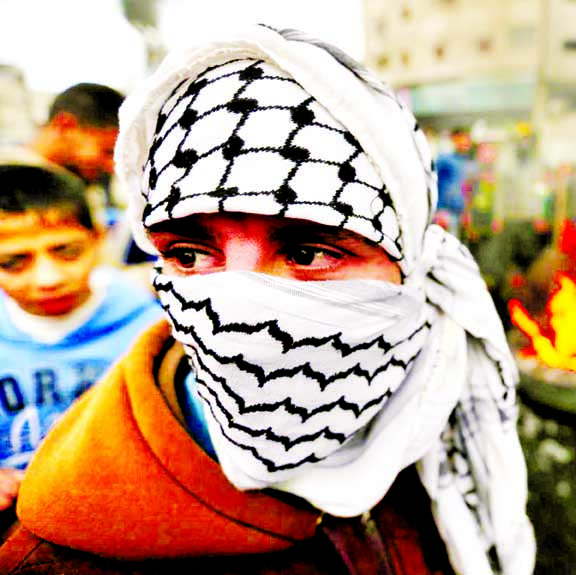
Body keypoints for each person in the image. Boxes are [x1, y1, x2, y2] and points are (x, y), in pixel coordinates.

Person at [2, 25, 534, 575]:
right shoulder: (58, 557)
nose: (236, 322)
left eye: (307, 252)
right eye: (188, 253)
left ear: (410, 262)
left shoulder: (431, 405)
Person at [0, 164, 162, 518]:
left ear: (99, 236)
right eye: (13, 262)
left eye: (66, 251)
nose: (48, 278)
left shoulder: (152, 329)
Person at [28, 82, 155, 267]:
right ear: (65, 126)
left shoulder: (85, 186)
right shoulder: (10, 185)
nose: (112, 166)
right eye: (107, 151)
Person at [434, 127, 474, 237]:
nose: (464, 142)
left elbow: (469, 188)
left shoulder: (469, 162)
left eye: (466, 139)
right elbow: (433, 182)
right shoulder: (444, 159)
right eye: (460, 139)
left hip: (462, 214)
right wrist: (438, 210)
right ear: (454, 140)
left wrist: (467, 212)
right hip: (446, 213)